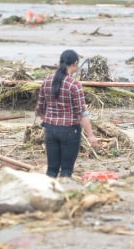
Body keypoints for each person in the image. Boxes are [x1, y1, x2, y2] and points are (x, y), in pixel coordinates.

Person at [35, 49, 100, 179]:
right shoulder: (74, 85)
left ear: (60, 62)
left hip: (50, 130)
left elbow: (40, 109)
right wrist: (91, 135)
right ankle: (63, 196)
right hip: (70, 131)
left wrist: (48, 123)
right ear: (75, 63)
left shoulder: (47, 81)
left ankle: (48, 195)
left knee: (51, 170)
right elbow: (81, 113)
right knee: (66, 171)